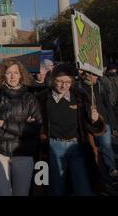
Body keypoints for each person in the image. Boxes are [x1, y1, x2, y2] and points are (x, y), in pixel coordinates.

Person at [36, 64, 105, 196]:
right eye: (60, 81)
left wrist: (95, 120)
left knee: (83, 187)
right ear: (52, 80)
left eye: (67, 82)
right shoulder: (42, 98)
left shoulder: (79, 97)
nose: (64, 85)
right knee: (57, 188)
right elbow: (36, 125)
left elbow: (93, 127)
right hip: (53, 147)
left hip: (77, 147)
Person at [0, 59, 42, 196]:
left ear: (21, 75)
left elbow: (35, 128)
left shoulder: (30, 98)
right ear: (2, 75)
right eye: (8, 73)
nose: (13, 76)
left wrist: (4, 124)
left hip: (23, 154)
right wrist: (22, 129)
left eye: (16, 72)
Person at [80, 71, 118, 182]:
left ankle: (111, 168)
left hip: (103, 122)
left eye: (95, 75)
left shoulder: (100, 86)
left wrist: (113, 124)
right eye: (92, 74)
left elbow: (107, 106)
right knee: (93, 149)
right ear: (87, 75)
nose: (94, 77)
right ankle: (95, 173)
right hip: (88, 123)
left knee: (106, 145)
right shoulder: (79, 86)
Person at [102, 64, 118, 133]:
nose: (113, 72)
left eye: (114, 70)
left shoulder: (116, 78)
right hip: (109, 102)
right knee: (111, 117)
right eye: (112, 70)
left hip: (116, 101)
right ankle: (114, 130)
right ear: (108, 71)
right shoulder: (103, 79)